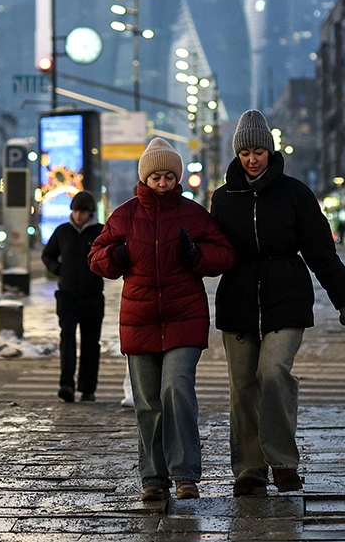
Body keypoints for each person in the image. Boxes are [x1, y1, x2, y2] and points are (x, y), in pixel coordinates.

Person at [211, 110, 345, 498]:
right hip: (239, 301)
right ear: (237, 154)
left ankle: (282, 461)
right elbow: (214, 254)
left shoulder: (295, 193)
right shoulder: (223, 198)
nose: (252, 158)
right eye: (245, 152)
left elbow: (319, 249)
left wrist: (342, 293)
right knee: (242, 386)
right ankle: (249, 469)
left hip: (286, 297)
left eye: (259, 150)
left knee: (274, 373)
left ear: (270, 150)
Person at [88, 138, 235, 503]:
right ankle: (153, 476)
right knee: (148, 402)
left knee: (176, 390)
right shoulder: (125, 215)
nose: (163, 183)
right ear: (145, 177)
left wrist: (196, 254)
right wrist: (117, 255)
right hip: (140, 321)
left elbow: (225, 255)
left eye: (170, 176)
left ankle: (185, 474)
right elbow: (96, 256)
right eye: (156, 177)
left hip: (184, 317)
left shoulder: (193, 214)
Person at [41, 190, 104, 403]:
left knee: (90, 343)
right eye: (76, 211)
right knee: (67, 338)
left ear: (90, 213)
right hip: (67, 294)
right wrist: (58, 269)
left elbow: (112, 254)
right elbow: (47, 254)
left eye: (83, 211)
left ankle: (88, 388)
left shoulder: (100, 232)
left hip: (93, 295)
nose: (79, 215)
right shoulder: (63, 231)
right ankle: (66, 384)